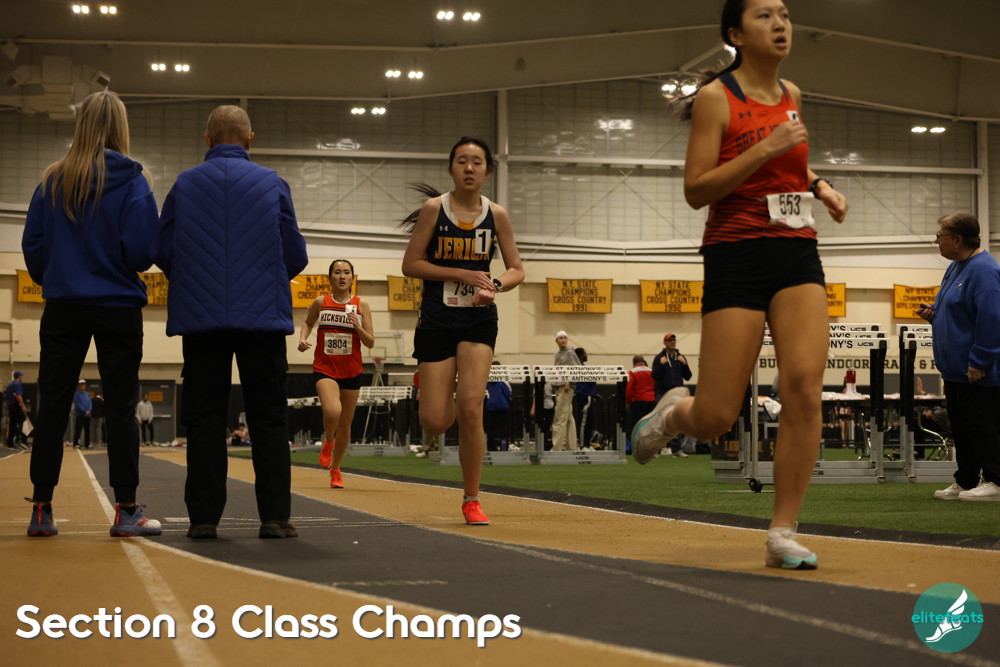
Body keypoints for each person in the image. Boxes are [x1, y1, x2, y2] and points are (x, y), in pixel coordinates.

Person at [632, 0, 848, 570]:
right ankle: (671, 416)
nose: (780, 24)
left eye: (784, 14)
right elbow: (697, 189)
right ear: (736, 33)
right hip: (736, 255)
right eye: (764, 16)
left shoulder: (791, 93)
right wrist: (765, 147)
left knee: (804, 389)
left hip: (796, 252)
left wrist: (820, 186)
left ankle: (782, 532)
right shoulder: (716, 97)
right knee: (716, 416)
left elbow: (791, 164)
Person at [156, 104, 308, 539]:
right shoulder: (272, 183)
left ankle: (204, 519)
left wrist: (195, 278)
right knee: (268, 417)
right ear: (249, 139)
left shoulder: (185, 184)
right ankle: (274, 517)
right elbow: (295, 254)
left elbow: (161, 249)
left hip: (202, 320)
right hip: (262, 318)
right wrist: (264, 277)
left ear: (207, 139)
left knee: (205, 418)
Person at [21, 90, 163, 538]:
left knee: (51, 405)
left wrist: (59, 276)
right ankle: (126, 510)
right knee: (121, 407)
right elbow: (142, 253)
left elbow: (33, 248)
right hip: (118, 306)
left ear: (80, 124)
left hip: (64, 305)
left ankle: (41, 509)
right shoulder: (134, 181)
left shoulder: (52, 181)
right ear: (122, 127)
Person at [401, 136, 525, 525]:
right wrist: (461, 273)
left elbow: (517, 269)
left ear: (487, 171)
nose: (469, 168)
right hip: (437, 320)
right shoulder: (433, 210)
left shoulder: (497, 215)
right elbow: (411, 264)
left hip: (478, 319)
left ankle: (472, 498)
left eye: (477, 162)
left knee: (471, 406)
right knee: (435, 421)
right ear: (451, 168)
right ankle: (434, 391)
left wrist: (494, 285)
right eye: (461, 161)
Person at [917, 212, 1000, 502]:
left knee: (982, 426)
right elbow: (960, 312)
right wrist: (935, 315)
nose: (936, 241)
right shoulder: (956, 267)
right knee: (962, 429)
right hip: (954, 369)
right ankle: (966, 480)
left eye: (940, 236)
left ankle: (996, 481)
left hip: (976, 369)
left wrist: (980, 359)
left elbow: (992, 319)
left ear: (957, 239)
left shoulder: (984, 271)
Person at [297, 259, 375, 488]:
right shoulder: (321, 302)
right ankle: (328, 441)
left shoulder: (362, 305)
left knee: (345, 424)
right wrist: (302, 338)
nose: (342, 276)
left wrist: (357, 326)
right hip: (325, 368)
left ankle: (336, 469)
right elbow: (307, 323)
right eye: (337, 272)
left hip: (351, 370)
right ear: (330, 277)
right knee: (333, 411)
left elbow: (370, 342)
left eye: (346, 272)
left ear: (352, 277)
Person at [652, 333, 693, 458]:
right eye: (670, 340)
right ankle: (657, 449)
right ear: (664, 343)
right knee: (660, 421)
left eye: (674, 340)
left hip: (677, 393)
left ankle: (677, 450)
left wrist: (684, 364)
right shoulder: (659, 357)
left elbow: (688, 376)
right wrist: (661, 365)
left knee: (677, 420)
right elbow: (654, 376)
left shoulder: (680, 357)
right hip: (663, 393)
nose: (672, 342)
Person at [551, 331, 581, 451]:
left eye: (565, 338)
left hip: (565, 387)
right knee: (568, 417)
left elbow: (577, 368)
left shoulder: (569, 352)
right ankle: (571, 447)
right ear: (556, 340)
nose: (563, 340)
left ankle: (556, 447)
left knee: (560, 417)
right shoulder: (558, 354)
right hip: (559, 386)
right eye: (561, 338)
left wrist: (569, 381)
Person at [625, 355, 656, 452]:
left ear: (634, 362)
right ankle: (650, 448)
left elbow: (629, 389)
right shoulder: (651, 371)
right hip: (651, 400)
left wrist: (627, 401)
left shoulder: (632, 372)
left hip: (638, 401)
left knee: (637, 425)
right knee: (650, 425)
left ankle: (637, 448)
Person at [484, 361, 512, 452]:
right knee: (504, 428)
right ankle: (504, 447)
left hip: (490, 407)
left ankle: (491, 447)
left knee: (491, 428)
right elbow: (508, 392)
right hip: (502, 406)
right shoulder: (503, 380)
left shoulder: (487, 380)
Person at [573, 347, 598, 448]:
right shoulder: (578, 368)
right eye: (585, 353)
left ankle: (587, 444)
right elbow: (592, 380)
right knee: (584, 422)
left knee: (589, 422)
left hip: (587, 395)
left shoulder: (583, 367)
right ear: (580, 355)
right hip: (584, 395)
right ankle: (583, 445)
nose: (586, 355)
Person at [5, 371, 28, 449]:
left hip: (11, 406)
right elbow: (18, 396)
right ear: (19, 377)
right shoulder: (17, 384)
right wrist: (23, 405)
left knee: (13, 424)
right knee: (23, 422)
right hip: (16, 405)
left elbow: (7, 397)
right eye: (21, 376)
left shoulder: (10, 385)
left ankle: (10, 443)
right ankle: (23, 441)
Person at [72, 380, 92, 449]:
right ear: (79, 386)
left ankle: (87, 444)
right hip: (80, 415)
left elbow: (90, 404)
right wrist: (84, 411)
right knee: (78, 430)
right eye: (81, 384)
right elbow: (78, 404)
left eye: (84, 384)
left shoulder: (87, 394)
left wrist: (89, 411)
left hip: (88, 415)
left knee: (87, 430)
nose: (83, 386)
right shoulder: (76, 394)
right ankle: (75, 444)